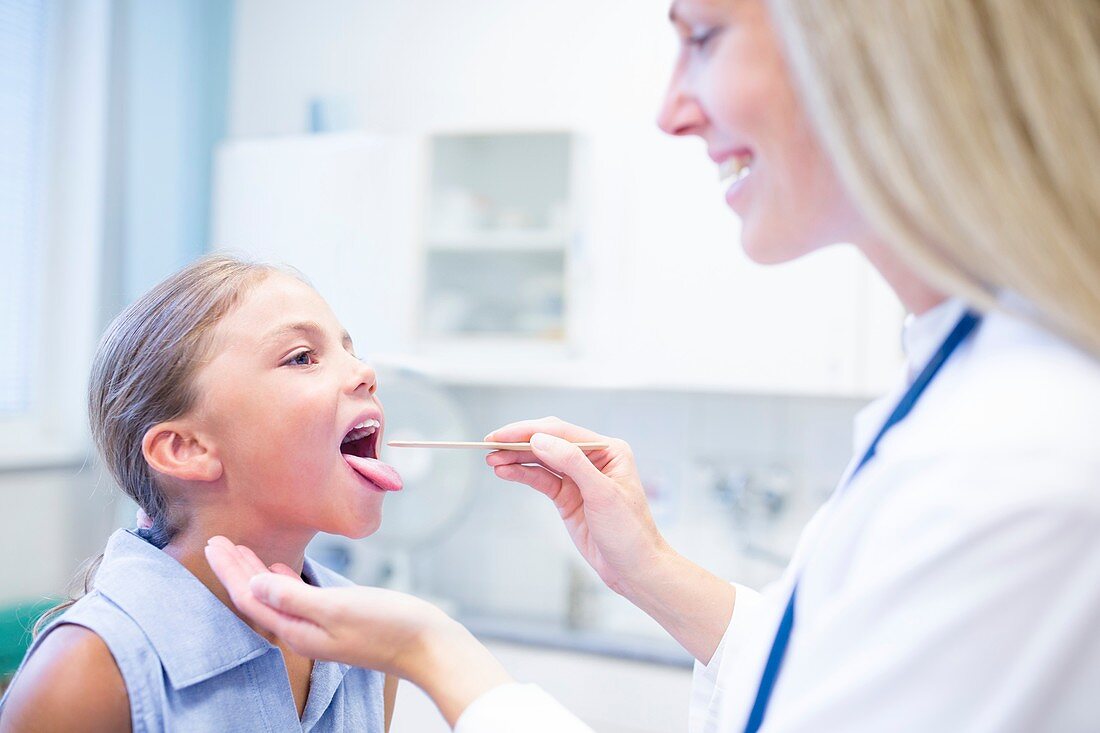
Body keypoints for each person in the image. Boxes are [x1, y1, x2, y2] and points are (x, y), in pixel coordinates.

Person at [210, 0, 1100, 730]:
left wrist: (432, 650)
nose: (672, 110)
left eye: (704, 38)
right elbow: (824, 677)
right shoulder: (964, 386)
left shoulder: (1015, 452)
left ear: (883, 41)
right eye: (300, 355)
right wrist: (650, 569)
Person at [0, 255, 405, 732]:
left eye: (350, 350)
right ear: (185, 448)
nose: (365, 372)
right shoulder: (83, 676)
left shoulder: (371, 643)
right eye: (302, 357)